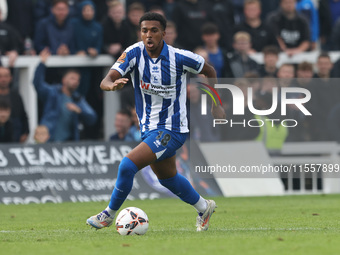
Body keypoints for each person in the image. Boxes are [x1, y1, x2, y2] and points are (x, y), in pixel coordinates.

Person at [86, 12, 225, 232]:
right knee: (167, 178)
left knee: (127, 165)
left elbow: (209, 70)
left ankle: (108, 215)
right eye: (144, 30)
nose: (148, 35)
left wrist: (215, 103)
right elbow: (107, 79)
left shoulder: (179, 57)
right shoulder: (133, 53)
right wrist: (110, 85)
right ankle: (204, 207)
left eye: (153, 30)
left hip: (173, 129)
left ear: (164, 33)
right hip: (148, 129)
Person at [33, 48, 97, 142]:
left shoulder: (78, 99)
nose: (75, 82)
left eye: (77, 80)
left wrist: (79, 110)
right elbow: (38, 84)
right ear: (63, 80)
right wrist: (41, 64)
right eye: (72, 78)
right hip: (49, 142)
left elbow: (92, 118)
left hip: (68, 146)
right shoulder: (52, 93)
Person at [0, 67, 29, 143]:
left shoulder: (16, 96)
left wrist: (25, 132)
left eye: (6, 76)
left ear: (10, 78)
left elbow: (23, 115)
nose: (3, 79)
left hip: (15, 139)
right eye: (0, 76)